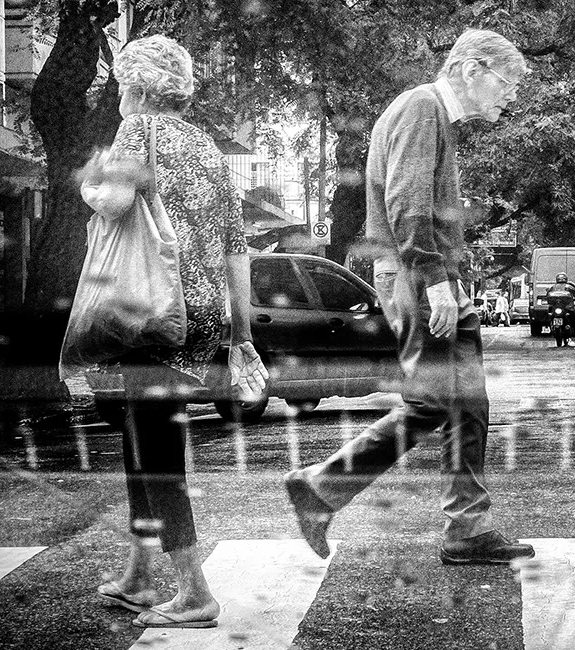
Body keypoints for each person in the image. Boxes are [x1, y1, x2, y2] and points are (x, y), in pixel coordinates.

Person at [284, 29, 535, 566]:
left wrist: (447, 279)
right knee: (432, 403)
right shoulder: (421, 108)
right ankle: (322, 486)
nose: (511, 96)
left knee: (469, 406)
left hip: (431, 276)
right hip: (415, 276)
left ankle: (467, 528)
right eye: (508, 82)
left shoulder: (433, 115)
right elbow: (407, 202)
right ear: (472, 68)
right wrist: (435, 279)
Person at [80, 36, 269, 629]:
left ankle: (194, 592)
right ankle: (139, 574)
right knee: (142, 437)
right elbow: (236, 248)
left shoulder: (138, 129)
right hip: (203, 315)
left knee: (156, 448)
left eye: (120, 86)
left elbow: (113, 202)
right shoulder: (208, 149)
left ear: (137, 88)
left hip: (153, 310)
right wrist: (241, 334)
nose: (118, 96)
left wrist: (89, 183)